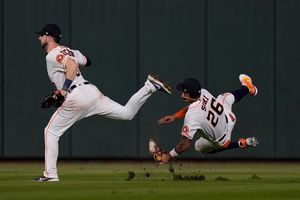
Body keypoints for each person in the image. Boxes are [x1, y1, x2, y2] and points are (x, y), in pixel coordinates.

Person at [33, 24, 172, 181]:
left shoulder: (52, 55)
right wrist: (72, 59)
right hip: (91, 91)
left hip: (76, 95)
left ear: (49, 37)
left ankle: (51, 175)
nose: (39, 37)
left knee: (51, 132)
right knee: (127, 113)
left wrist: (63, 90)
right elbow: (86, 61)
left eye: (41, 35)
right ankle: (149, 87)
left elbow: (71, 65)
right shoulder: (71, 51)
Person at [149, 74, 258, 163]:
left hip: (222, 141)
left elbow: (185, 144)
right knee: (226, 97)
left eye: (184, 92)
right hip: (229, 117)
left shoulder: (191, 118)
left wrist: (169, 156)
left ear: (187, 96)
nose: (181, 93)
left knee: (199, 147)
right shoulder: (203, 92)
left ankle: (240, 144)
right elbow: (193, 106)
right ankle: (248, 88)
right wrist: (175, 116)